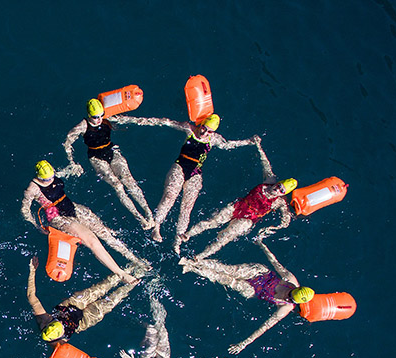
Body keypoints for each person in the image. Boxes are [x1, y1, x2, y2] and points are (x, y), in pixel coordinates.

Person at [21, 160, 146, 284]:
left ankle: (136, 260)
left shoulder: (52, 176)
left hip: (73, 208)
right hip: (59, 218)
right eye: (47, 180)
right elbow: (25, 209)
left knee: (105, 233)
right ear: (39, 177)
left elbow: (62, 174)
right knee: (92, 241)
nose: (51, 180)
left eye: (52, 177)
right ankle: (121, 274)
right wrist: (37, 226)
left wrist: (73, 168)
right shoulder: (32, 189)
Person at [179, 241, 315, 354]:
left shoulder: (285, 308)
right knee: (228, 270)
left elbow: (265, 327)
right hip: (261, 274)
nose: (287, 297)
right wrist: (262, 245)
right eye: (290, 294)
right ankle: (196, 260)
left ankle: (191, 267)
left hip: (257, 291)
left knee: (225, 280)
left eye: (290, 299)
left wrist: (244, 344)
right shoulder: (290, 279)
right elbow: (275, 262)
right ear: (295, 289)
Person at [146, 114, 260, 248]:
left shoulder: (214, 139)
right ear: (201, 124)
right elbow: (165, 121)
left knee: (187, 208)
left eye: (209, 131)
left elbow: (229, 145)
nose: (204, 132)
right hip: (180, 165)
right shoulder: (189, 129)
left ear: (213, 132)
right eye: (204, 128)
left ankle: (177, 241)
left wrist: (248, 141)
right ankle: (156, 227)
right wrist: (128, 120)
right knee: (169, 197)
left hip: (195, 173)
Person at [62, 99, 157, 230]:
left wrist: (146, 121)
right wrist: (72, 162)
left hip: (111, 150)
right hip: (96, 157)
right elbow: (67, 142)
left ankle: (148, 212)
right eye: (96, 117)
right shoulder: (83, 126)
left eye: (102, 115)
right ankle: (139, 217)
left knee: (129, 181)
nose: (99, 119)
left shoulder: (107, 119)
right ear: (89, 115)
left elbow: (129, 119)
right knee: (118, 186)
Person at [27, 258, 141, 358]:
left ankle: (131, 267)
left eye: (57, 322)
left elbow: (31, 296)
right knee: (110, 302)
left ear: (50, 322)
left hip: (70, 306)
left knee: (101, 287)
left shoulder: (44, 319)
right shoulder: (59, 346)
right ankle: (136, 279)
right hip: (80, 322)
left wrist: (32, 271)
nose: (61, 323)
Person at [180, 175, 297, 260]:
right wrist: (259, 147)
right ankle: (188, 234)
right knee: (212, 221)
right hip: (239, 205)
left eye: (281, 190)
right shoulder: (269, 180)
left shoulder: (279, 202)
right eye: (279, 186)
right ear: (278, 183)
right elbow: (265, 164)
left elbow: (286, 219)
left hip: (248, 219)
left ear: (283, 194)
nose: (277, 189)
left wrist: (276, 227)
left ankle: (201, 256)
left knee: (225, 236)